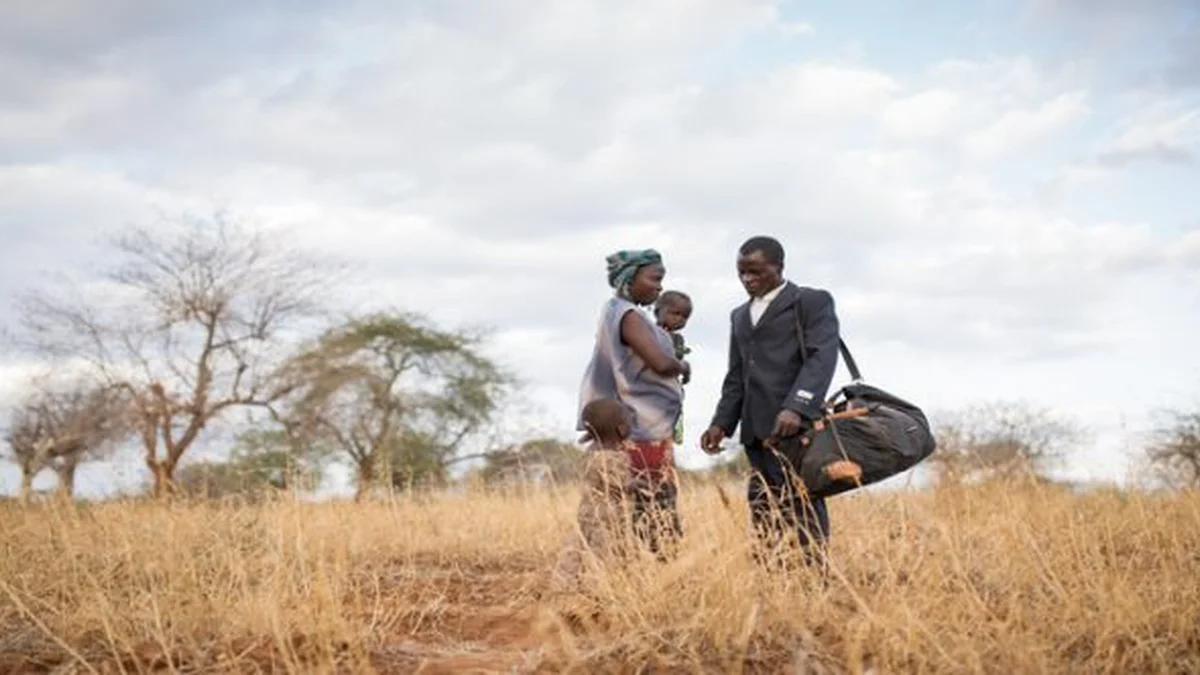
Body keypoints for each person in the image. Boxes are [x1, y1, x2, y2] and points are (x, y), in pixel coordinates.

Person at [699, 235, 842, 569]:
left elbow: (822, 357)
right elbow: (737, 374)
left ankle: (811, 577)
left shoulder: (811, 301)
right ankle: (772, 576)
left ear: (778, 267)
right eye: (742, 272)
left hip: (795, 427)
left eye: (756, 271)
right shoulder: (739, 315)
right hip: (755, 429)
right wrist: (721, 423)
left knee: (802, 501)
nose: (748, 279)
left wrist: (797, 406)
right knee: (762, 503)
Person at [578, 249, 688, 559]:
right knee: (656, 507)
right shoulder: (628, 315)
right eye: (654, 279)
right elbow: (660, 363)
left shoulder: (617, 311)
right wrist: (683, 366)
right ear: (630, 277)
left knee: (641, 507)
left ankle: (641, 569)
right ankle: (660, 570)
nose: (659, 287)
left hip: (641, 427)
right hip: (641, 429)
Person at [552, 398, 639, 589]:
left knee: (577, 547)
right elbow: (621, 484)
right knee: (603, 551)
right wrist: (639, 482)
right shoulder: (613, 457)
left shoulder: (591, 454)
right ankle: (597, 586)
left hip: (587, 510)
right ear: (622, 429)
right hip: (607, 516)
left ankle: (563, 583)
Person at [654, 290, 693, 445]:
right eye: (675, 313)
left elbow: (677, 361)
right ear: (658, 311)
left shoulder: (678, 339)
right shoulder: (648, 333)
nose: (680, 319)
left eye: (685, 317)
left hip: (670, 391)